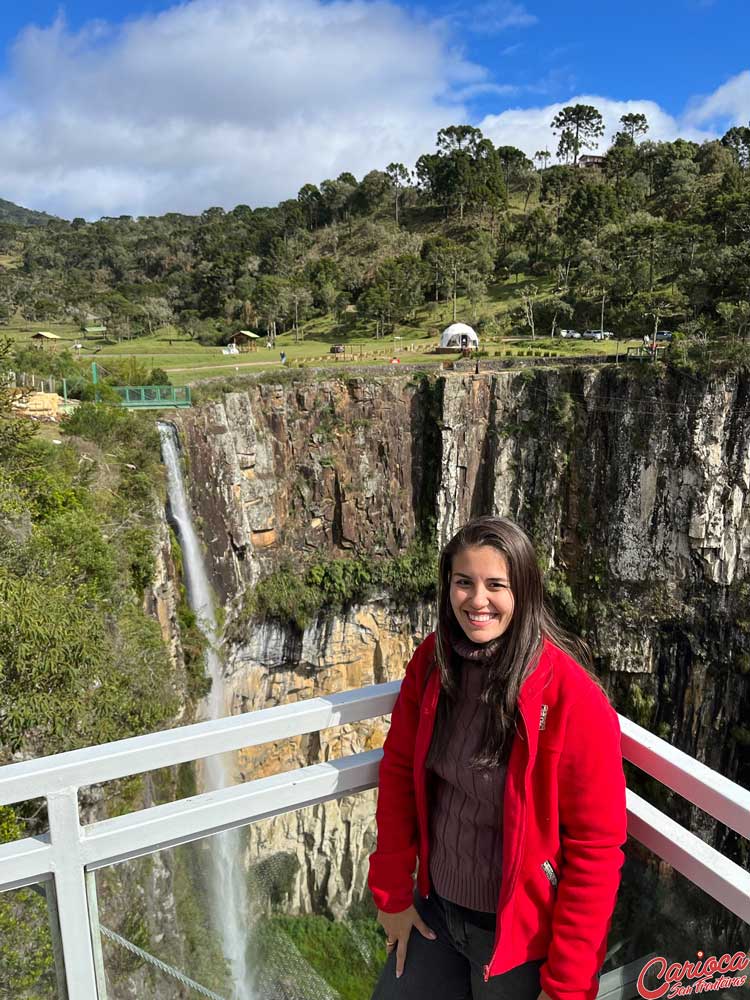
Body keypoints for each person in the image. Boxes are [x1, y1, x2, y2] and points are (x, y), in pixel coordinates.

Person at [368, 516, 627, 1000]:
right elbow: (401, 771)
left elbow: (596, 849)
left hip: (518, 940)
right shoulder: (432, 663)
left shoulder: (572, 697)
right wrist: (392, 893)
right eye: (464, 582)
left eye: (496, 585)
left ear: (524, 593)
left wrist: (568, 984)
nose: (477, 600)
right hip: (436, 913)